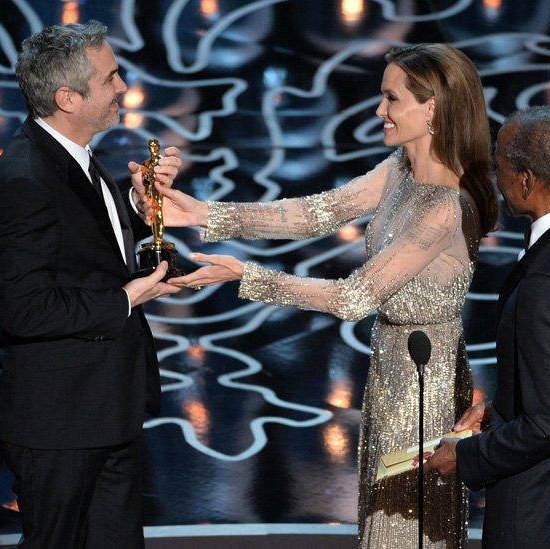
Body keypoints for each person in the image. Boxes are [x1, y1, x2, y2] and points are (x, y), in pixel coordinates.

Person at [136, 43, 497, 547]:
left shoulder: (443, 206)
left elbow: (354, 297)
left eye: (391, 99)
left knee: (407, 529)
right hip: (391, 370)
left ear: (431, 108)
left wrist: (245, 276)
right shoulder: (400, 170)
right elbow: (317, 212)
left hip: (424, 384)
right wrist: (202, 214)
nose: (379, 111)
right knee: (382, 521)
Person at [0, 21, 183, 547]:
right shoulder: (26, 177)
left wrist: (142, 213)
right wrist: (127, 297)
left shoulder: (72, 157)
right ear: (68, 97)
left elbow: (85, 250)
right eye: (111, 77)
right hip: (60, 422)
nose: (122, 87)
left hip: (105, 407)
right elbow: (27, 309)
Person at [425, 106, 550, 548]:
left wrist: (467, 455)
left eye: (499, 166)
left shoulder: (546, 282)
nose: (496, 181)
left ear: (526, 179)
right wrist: (500, 409)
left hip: (545, 518)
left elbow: (547, 425)